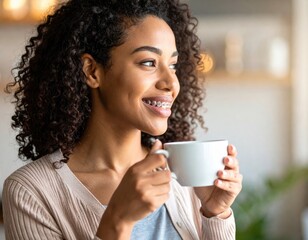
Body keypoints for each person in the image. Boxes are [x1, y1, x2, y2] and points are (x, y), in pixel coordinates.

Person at [2, 0, 243, 239]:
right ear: (92, 71)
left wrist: (214, 214)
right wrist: (118, 220)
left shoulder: (183, 173)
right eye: (148, 62)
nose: (171, 84)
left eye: (173, 65)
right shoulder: (31, 192)